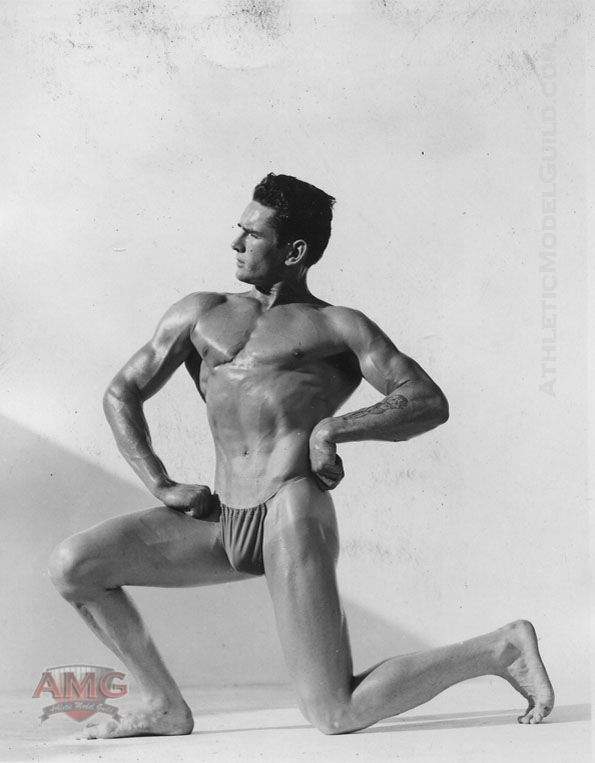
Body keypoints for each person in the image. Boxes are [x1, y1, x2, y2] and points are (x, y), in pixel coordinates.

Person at [49, 173, 554, 739]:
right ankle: (163, 704)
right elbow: (122, 392)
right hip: (221, 518)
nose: (236, 243)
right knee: (75, 566)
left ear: (294, 252)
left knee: (335, 712)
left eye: (253, 235)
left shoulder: (338, 326)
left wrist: (332, 429)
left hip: (289, 513)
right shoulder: (200, 312)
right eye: (239, 229)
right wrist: (160, 483)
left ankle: (498, 650)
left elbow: (426, 400)